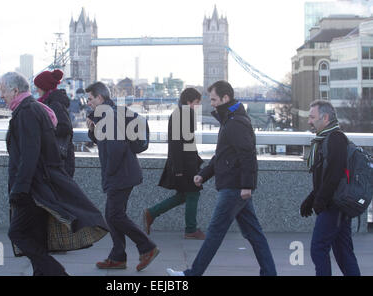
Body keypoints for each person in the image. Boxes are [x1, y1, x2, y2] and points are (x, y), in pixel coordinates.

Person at [0, 72, 108, 276]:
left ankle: (57, 273)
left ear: (15, 91)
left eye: (2, 90)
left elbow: (29, 155)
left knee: (17, 233)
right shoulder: (33, 108)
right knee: (37, 237)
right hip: (40, 185)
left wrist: (19, 189)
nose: (0, 95)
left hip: (33, 188)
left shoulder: (27, 112)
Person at [167, 80, 277, 276]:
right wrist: (204, 175)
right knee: (255, 234)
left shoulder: (236, 122)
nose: (212, 103)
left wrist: (247, 185)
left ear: (226, 98)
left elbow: (247, 155)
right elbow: (223, 155)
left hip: (234, 187)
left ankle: (192, 274)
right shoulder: (230, 119)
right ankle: (270, 273)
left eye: (214, 99)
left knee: (215, 233)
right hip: (235, 185)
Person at [86, 81, 159, 271]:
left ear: (100, 98)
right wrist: (93, 131)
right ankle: (118, 257)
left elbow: (116, 147)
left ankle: (147, 247)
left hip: (121, 174)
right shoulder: (109, 114)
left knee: (115, 215)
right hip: (123, 173)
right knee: (113, 215)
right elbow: (107, 142)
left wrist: (109, 172)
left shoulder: (109, 116)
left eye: (91, 98)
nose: (88, 102)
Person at [300, 100, 360, 276]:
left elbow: (334, 173)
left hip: (334, 205)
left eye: (312, 117)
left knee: (318, 249)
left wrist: (319, 200)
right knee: (343, 252)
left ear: (325, 117)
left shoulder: (335, 139)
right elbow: (325, 177)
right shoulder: (325, 139)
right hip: (335, 204)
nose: (309, 121)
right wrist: (311, 199)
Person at [143, 88, 205, 239]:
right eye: (196, 103)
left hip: (182, 163)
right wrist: (180, 168)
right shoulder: (185, 114)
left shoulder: (179, 113)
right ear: (189, 102)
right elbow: (179, 143)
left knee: (184, 195)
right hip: (185, 164)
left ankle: (151, 213)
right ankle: (190, 230)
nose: (198, 106)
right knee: (193, 193)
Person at [34, 69, 75, 177]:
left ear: (44, 87)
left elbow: (65, 128)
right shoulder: (50, 102)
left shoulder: (54, 104)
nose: (36, 90)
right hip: (57, 160)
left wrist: (43, 129)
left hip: (60, 161)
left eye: (38, 87)